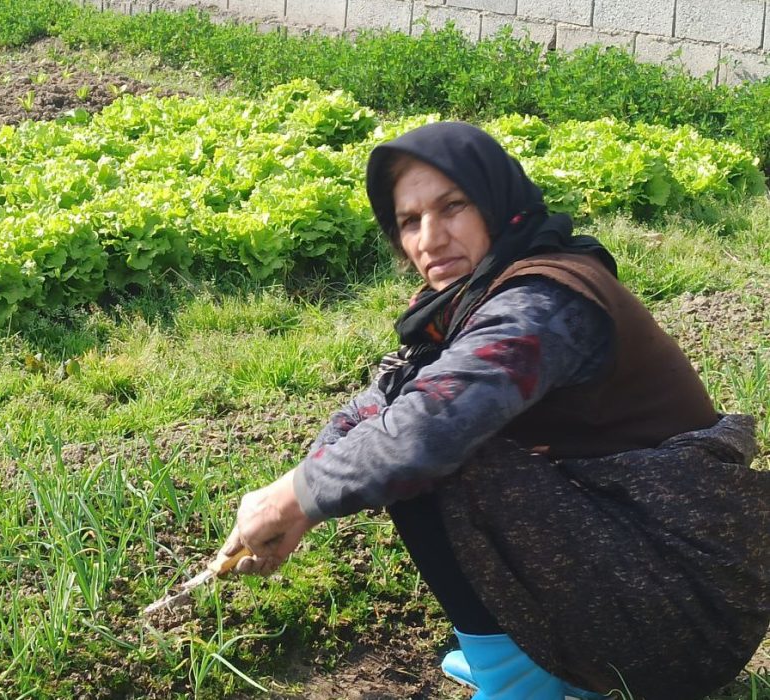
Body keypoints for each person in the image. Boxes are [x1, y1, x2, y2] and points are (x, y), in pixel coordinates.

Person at [219, 122, 770, 700]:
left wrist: (295, 497)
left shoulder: (543, 302)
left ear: (498, 202)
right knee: (403, 438)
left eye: (452, 206)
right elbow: (380, 403)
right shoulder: (469, 299)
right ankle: (534, 666)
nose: (429, 239)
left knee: (436, 459)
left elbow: (426, 427)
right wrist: (297, 500)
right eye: (409, 221)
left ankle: (519, 684)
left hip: (690, 613)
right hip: (637, 565)